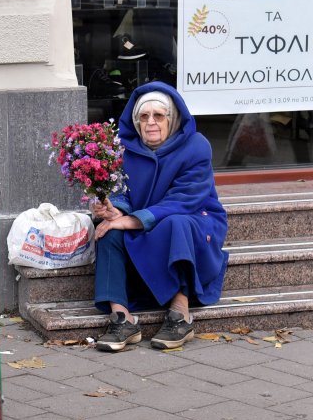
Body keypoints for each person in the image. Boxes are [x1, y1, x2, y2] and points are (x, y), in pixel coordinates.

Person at [91, 81, 228, 351]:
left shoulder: (196, 146)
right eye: (144, 116)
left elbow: (185, 199)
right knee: (109, 230)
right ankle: (122, 319)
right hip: (147, 222)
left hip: (194, 220)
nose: (150, 122)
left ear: (172, 118)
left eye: (158, 116)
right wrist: (114, 210)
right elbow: (122, 193)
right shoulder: (124, 150)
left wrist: (132, 220)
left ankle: (180, 314)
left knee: (174, 224)